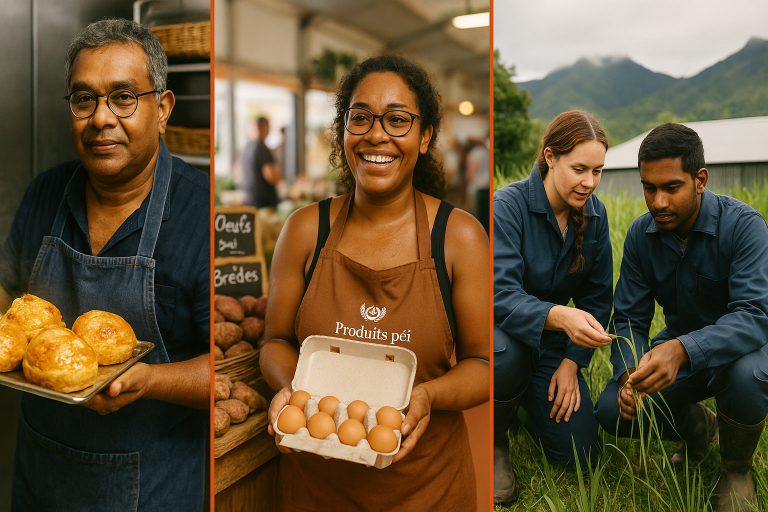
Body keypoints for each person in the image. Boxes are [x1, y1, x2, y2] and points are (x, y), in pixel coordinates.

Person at [260, 54, 489, 511]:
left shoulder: (459, 237)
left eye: (397, 120)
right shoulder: (306, 230)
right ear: (344, 131)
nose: (376, 134)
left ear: (425, 137)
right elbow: (275, 341)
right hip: (314, 491)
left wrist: (427, 395)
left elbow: (483, 363)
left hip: (427, 490)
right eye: (360, 117)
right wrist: (294, 392)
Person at [0, 19, 210, 511]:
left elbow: (227, 375)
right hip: (39, 471)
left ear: (163, 109)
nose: (101, 118)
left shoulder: (200, 216)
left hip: (152, 485)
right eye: (84, 99)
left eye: (123, 97)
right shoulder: (45, 192)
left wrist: (151, 380)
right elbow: (7, 290)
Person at [594, 123, 768, 512]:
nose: (658, 202)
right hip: (678, 353)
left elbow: (755, 316)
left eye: (671, 187)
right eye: (648, 188)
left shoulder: (744, 227)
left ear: (700, 180)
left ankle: (736, 467)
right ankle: (699, 428)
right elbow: (630, 319)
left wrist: (684, 349)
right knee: (612, 410)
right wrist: (628, 375)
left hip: (739, 354)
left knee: (749, 375)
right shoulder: (642, 235)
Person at [493, 110, 613, 504]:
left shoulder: (595, 216)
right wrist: (560, 316)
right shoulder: (506, 205)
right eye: (580, 168)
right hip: (503, 338)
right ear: (550, 157)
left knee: (581, 456)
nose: (589, 182)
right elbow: (500, 294)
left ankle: (527, 403)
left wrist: (572, 363)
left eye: (597, 171)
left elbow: (597, 298)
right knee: (506, 358)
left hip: (552, 349)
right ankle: (496, 440)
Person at [241, 116, 282, 208]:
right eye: (268, 127)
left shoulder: (247, 146)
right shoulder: (261, 147)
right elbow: (270, 175)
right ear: (264, 127)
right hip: (263, 201)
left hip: (250, 198)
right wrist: (280, 178)